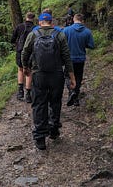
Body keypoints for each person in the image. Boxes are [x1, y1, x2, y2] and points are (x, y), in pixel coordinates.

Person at [22, 12, 76, 150]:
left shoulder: (33, 35)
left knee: (39, 104)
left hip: (38, 74)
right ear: (51, 22)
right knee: (55, 102)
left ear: (40, 22)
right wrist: (72, 77)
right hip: (56, 75)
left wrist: (26, 68)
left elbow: (25, 53)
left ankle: (40, 138)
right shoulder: (59, 35)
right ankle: (53, 130)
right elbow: (67, 57)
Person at [63, 13, 95, 107]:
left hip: (69, 58)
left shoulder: (67, 30)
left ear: (74, 19)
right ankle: (75, 97)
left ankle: (71, 91)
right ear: (83, 21)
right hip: (80, 59)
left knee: (68, 76)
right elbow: (91, 45)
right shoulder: (87, 32)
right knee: (78, 76)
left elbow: (61, 43)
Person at [10, 12, 36, 103]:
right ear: (34, 18)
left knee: (20, 69)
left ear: (26, 17)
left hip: (20, 51)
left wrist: (16, 44)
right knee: (29, 72)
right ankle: (28, 94)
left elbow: (12, 39)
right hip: (31, 52)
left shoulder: (19, 26)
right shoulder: (35, 28)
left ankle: (20, 91)